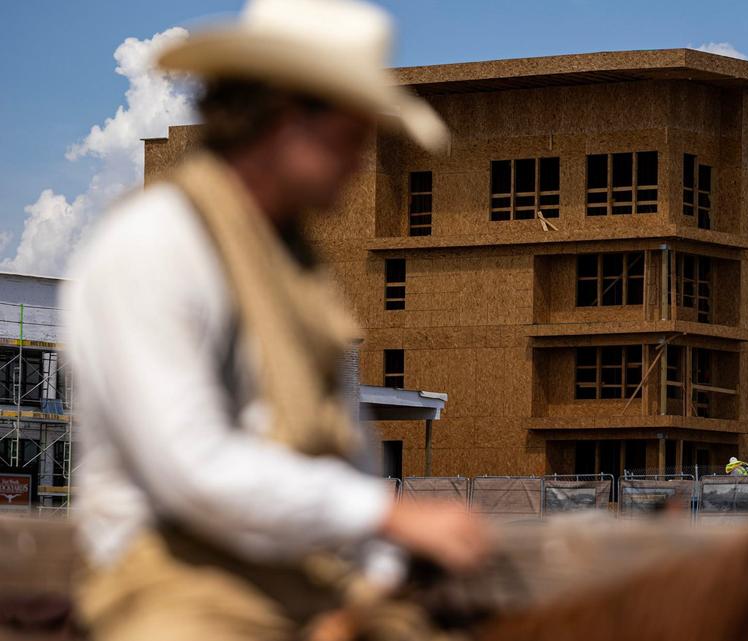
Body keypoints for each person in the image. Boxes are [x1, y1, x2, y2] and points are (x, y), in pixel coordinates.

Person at [62, 1, 485, 639]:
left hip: (308, 581)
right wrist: (385, 516)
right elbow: (191, 466)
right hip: (176, 584)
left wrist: (379, 570)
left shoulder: (300, 278)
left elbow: (347, 450)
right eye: (350, 137)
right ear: (287, 119)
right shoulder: (153, 245)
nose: (358, 161)